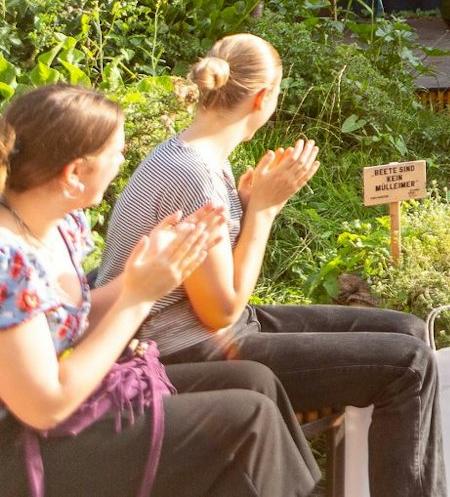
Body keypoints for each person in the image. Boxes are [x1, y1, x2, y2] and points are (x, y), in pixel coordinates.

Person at [97, 36, 445, 496]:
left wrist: (246, 203)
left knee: (409, 331)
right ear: (263, 97)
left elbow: (207, 276)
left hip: (219, 329)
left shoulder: (192, 155)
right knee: (410, 367)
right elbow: (218, 310)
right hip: (186, 349)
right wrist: (261, 211)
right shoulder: (193, 175)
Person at [0, 84, 319, 497]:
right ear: (75, 173)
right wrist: (139, 297)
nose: (123, 159)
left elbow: (69, 321)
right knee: (247, 419)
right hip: (21, 449)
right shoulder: (10, 261)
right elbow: (45, 405)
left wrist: (145, 274)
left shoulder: (59, 224)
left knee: (254, 381)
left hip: (68, 415)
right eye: (116, 151)